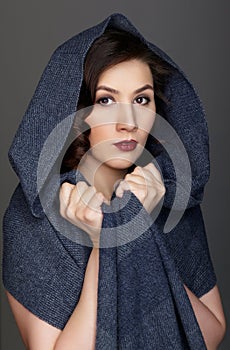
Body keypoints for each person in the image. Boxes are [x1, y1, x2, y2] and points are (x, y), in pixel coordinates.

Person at [2, 14, 226, 350]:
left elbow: (212, 333)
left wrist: (138, 229)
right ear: (78, 115)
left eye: (141, 99)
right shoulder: (32, 220)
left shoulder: (170, 195)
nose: (129, 122)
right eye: (106, 100)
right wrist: (106, 243)